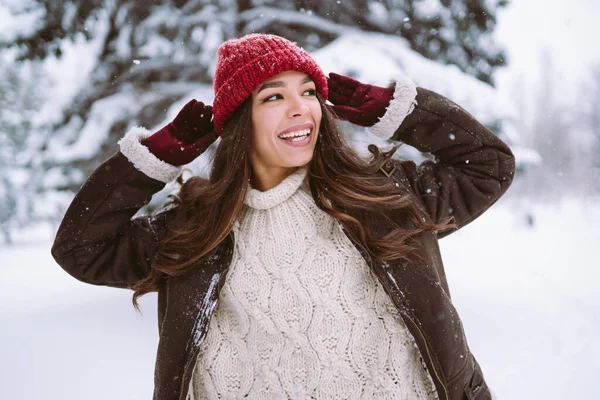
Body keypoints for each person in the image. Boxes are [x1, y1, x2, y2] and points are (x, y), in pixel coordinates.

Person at [51, 33, 515, 400]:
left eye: (309, 91)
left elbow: (490, 165)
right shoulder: (194, 230)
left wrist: (399, 111)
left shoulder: (384, 198)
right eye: (273, 97)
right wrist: (156, 157)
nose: (301, 108)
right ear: (239, 122)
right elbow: (80, 248)